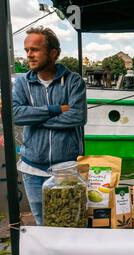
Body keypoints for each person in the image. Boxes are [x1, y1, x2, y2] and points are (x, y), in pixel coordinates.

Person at [12, 26, 87, 225]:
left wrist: (35, 118)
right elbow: (17, 115)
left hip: (67, 171)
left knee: (71, 221)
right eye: (27, 50)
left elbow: (78, 117)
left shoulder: (73, 81)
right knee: (42, 223)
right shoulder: (22, 84)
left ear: (53, 53)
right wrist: (55, 109)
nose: (29, 55)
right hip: (33, 170)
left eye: (35, 50)